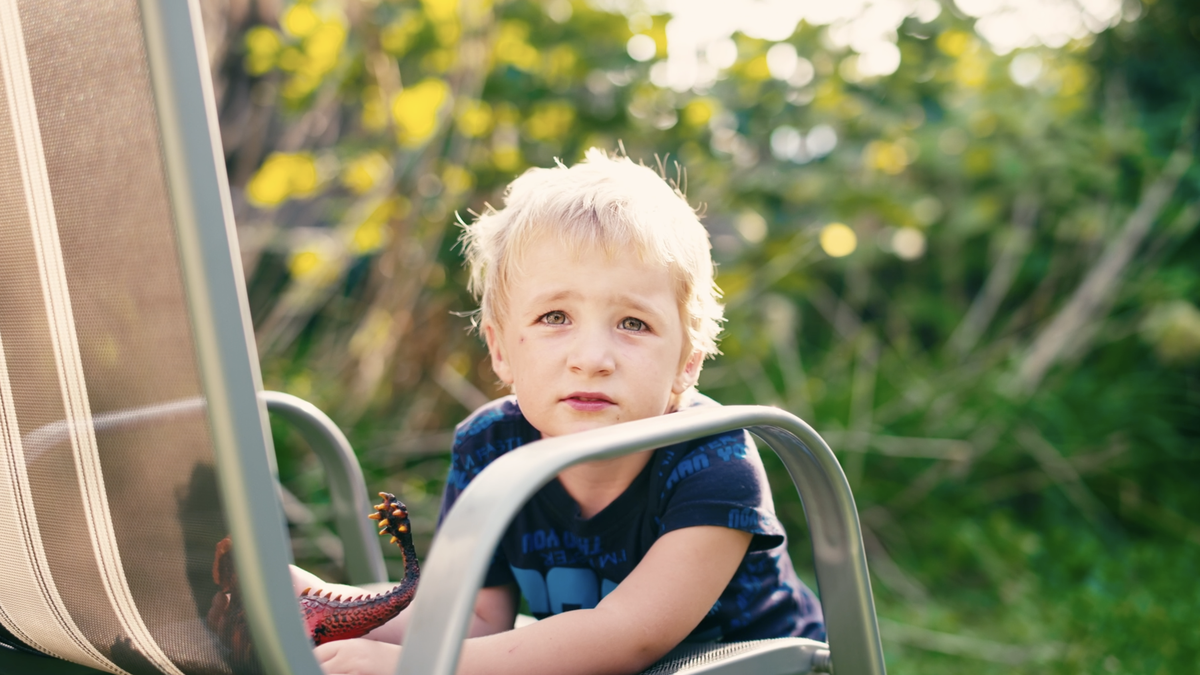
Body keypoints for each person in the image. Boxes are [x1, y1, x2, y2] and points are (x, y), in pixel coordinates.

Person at [296, 148, 824, 675]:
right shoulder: (489, 447)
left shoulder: (714, 458)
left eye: (633, 323)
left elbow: (629, 635)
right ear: (501, 350)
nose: (591, 359)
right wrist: (317, 603)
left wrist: (414, 668)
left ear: (687, 363)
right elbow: (474, 618)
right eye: (555, 316)